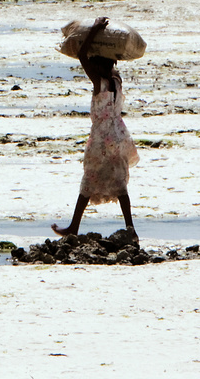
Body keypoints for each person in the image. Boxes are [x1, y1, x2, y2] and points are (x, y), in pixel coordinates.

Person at [52, 17, 139, 238]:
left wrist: (94, 30)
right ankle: (131, 229)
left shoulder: (99, 82)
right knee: (120, 181)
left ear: (99, 64)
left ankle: (73, 227)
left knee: (89, 179)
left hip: (102, 136)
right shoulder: (116, 80)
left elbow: (82, 55)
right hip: (119, 135)